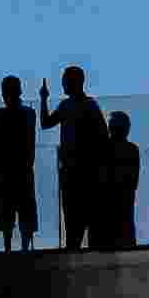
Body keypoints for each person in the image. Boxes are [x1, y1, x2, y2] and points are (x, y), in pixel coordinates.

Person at [39, 66, 109, 251]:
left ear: (74, 82)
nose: (63, 84)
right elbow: (46, 123)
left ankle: (77, 249)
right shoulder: (76, 105)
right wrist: (43, 99)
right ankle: (80, 249)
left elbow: (46, 123)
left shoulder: (81, 105)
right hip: (76, 170)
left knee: (77, 214)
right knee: (75, 215)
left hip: (81, 170)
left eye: (65, 80)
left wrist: (43, 99)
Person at [0, 76, 38, 252]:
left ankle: (9, 249)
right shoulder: (28, 113)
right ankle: (23, 249)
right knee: (25, 212)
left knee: (7, 214)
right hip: (23, 171)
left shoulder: (2, 115)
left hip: (6, 172)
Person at [96, 111, 140, 249]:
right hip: (120, 202)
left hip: (111, 202)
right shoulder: (131, 149)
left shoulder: (103, 148)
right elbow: (133, 180)